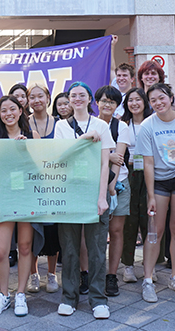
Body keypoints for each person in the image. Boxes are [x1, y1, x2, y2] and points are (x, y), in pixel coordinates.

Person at [54, 81, 113, 320]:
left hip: (93, 192)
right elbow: (59, 157)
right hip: (69, 193)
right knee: (68, 249)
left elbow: (105, 163)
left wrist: (102, 197)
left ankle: (98, 299)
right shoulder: (61, 126)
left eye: (82, 95)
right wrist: (85, 139)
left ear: (90, 99)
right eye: (73, 95)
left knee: (97, 249)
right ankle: (69, 297)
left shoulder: (101, 124)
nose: (77, 99)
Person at [136, 84, 175, 303]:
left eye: (161, 98)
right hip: (159, 183)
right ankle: (148, 279)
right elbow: (149, 163)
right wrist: (151, 195)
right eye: (153, 100)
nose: (158, 103)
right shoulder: (147, 126)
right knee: (155, 231)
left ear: (171, 98)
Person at [0, 96, 42, 316]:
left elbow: (41, 169)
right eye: (3, 110)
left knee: (25, 246)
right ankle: (3, 294)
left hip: (26, 196)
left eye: (12, 109)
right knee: (1, 251)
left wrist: (24, 150)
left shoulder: (33, 136)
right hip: (4, 197)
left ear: (21, 111)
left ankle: (20, 294)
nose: (8, 113)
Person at [94, 85, 130, 298]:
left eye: (112, 102)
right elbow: (109, 156)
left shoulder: (121, 126)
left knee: (116, 231)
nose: (107, 105)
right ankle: (92, 273)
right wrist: (108, 156)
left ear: (117, 105)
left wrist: (111, 187)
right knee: (94, 233)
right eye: (104, 100)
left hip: (118, 185)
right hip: (93, 185)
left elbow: (120, 159)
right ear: (96, 102)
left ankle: (111, 275)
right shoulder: (91, 124)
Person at [26, 84, 61, 294]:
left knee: (52, 232)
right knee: (30, 231)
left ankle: (51, 273)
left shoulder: (59, 124)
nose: (37, 100)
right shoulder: (23, 124)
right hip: (31, 185)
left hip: (54, 184)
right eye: (33, 97)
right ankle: (33, 274)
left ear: (48, 98)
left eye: (41, 96)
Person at [115, 88, 152, 285]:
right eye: (130, 100)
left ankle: (150, 265)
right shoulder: (122, 124)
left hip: (150, 174)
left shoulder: (153, 122)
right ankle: (128, 265)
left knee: (149, 219)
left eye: (138, 99)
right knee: (129, 220)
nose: (134, 103)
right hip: (128, 173)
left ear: (145, 102)